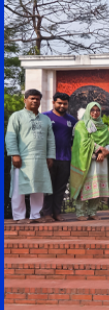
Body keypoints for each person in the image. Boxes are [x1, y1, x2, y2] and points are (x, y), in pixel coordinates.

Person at [6, 89, 55, 223]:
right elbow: (10, 137)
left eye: (37, 99)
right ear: (25, 100)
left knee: (39, 187)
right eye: (32, 98)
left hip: (40, 159)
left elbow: (50, 140)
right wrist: (14, 154)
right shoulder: (17, 116)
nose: (35, 101)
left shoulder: (45, 119)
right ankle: (19, 216)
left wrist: (50, 156)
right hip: (22, 159)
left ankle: (36, 215)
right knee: (18, 188)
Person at [68, 102, 109, 221]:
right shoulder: (81, 125)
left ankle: (92, 212)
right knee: (84, 187)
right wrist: (99, 150)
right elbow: (82, 142)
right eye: (92, 110)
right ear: (88, 111)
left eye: (97, 110)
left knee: (97, 187)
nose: (95, 112)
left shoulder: (103, 127)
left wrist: (105, 151)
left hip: (101, 161)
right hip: (87, 161)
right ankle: (80, 213)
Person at [42, 92, 78, 222]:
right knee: (48, 187)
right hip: (49, 158)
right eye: (59, 103)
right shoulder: (44, 117)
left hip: (66, 159)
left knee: (60, 188)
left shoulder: (72, 120)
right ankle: (46, 213)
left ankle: (57, 213)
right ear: (53, 103)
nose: (62, 105)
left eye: (65, 103)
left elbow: (77, 140)